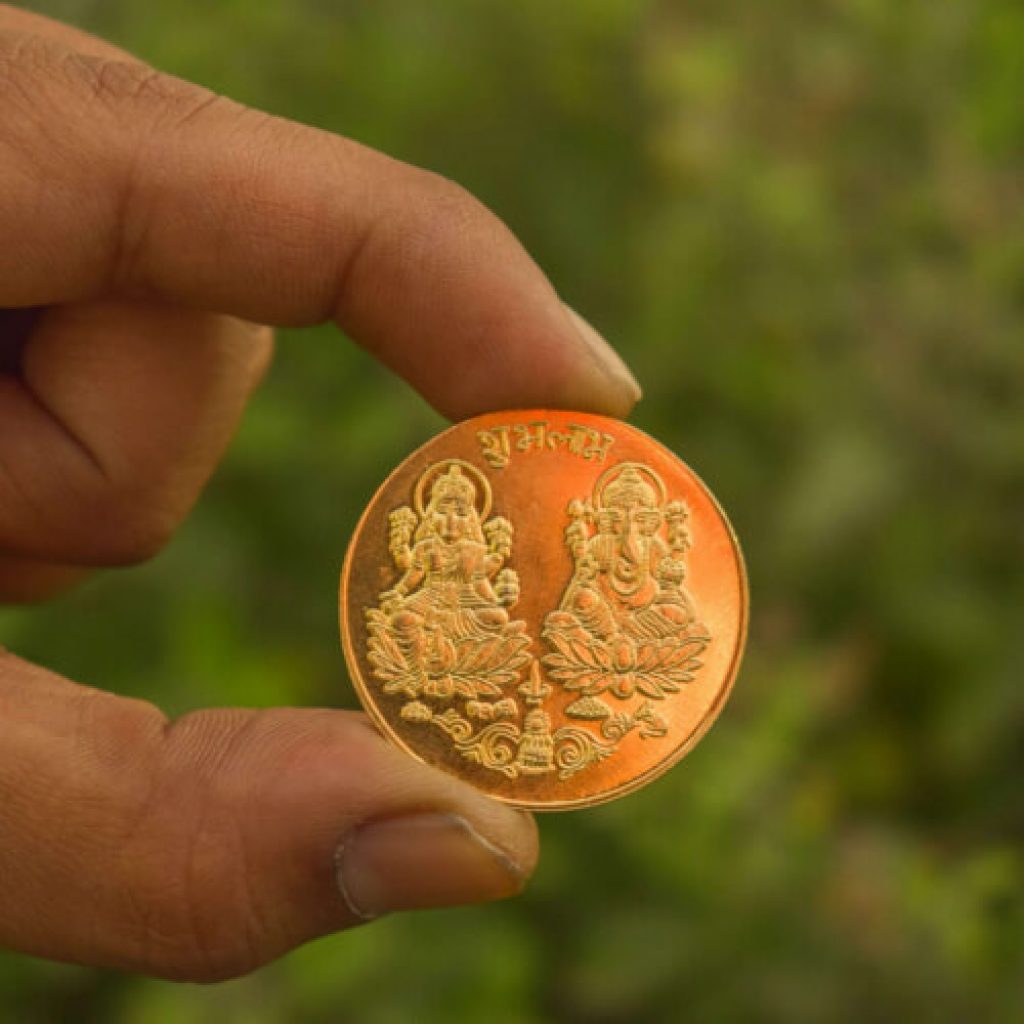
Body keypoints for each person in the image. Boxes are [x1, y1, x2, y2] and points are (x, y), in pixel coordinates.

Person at [0, 4, 640, 982]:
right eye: (469, 518)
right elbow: (447, 587)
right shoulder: (450, 554)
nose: (475, 530)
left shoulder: (543, 565)